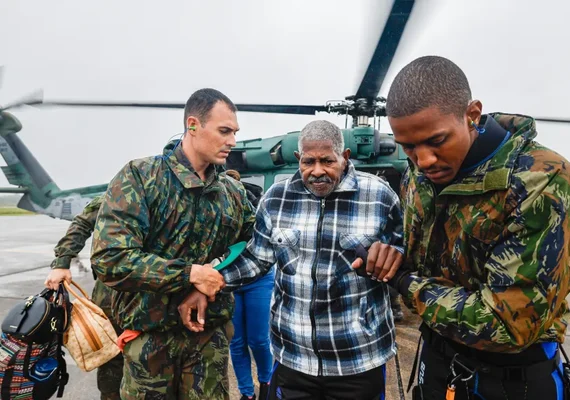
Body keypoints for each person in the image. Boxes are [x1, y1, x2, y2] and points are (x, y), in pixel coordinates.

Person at [382, 55, 570, 399]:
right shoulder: (420, 175)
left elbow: (507, 326)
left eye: (437, 141)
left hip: (513, 380)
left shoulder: (540, 179)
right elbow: (414, 251)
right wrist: (388, 255)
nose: (423, 161)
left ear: (471, 115)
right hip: (438, 361)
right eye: (408, 147)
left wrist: (402, 281)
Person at [218, 120, 404, 400]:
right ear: (298, 159)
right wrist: (212, 281)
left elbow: (403, 256)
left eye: (327, 161)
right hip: (294, 358)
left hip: (358, 358)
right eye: (308, 162)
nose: (317, 171)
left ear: (345, 157)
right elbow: (257, 259)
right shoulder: (275, 199)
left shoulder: (380, 197)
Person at [90, 88, 256, 400]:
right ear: (193, 125)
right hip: (150, 343)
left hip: (209, 342)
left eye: (234, 132)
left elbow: (252, 246)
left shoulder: (233, 192)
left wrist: (209, 280)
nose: (232, 141)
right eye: (224, 131)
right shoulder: (140, 177)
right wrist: (189, 274)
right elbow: (110, 258)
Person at [44, 195, 123, 400]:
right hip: (114, 291)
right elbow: (83, 221)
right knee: (110, 352)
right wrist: (61, 261)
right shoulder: (126, 186)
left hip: (160, 291)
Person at [224, 170, 274, 400]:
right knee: (237, 341)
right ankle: (247, 393)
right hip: (229, 282)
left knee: (259, 339)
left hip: (258, 279)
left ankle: (266, 382)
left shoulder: (253, 206)